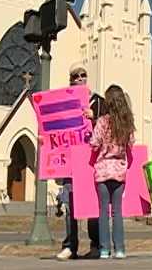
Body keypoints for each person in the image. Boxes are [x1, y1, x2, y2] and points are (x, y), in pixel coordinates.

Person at [56, 62, 101, 260]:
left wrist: (95, 116)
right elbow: (55, 128)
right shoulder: (63, 102)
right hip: (71, 160)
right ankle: (70, 245)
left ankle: (96, 244)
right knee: (70, 203)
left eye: (83, 75)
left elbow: (109, 125)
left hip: (91, 159)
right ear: (71, 80)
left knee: (92, 204)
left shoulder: (97, 102)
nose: (81, 78)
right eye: (76, 76)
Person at [90, 84, 135, 259]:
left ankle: (104, 249)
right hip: (119, 171)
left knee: (103, 212)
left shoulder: (102, 121)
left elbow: (94, 143)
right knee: (117, 212)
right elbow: (131, 143)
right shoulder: (126, 123)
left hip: (102, 171)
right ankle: (120, 248)